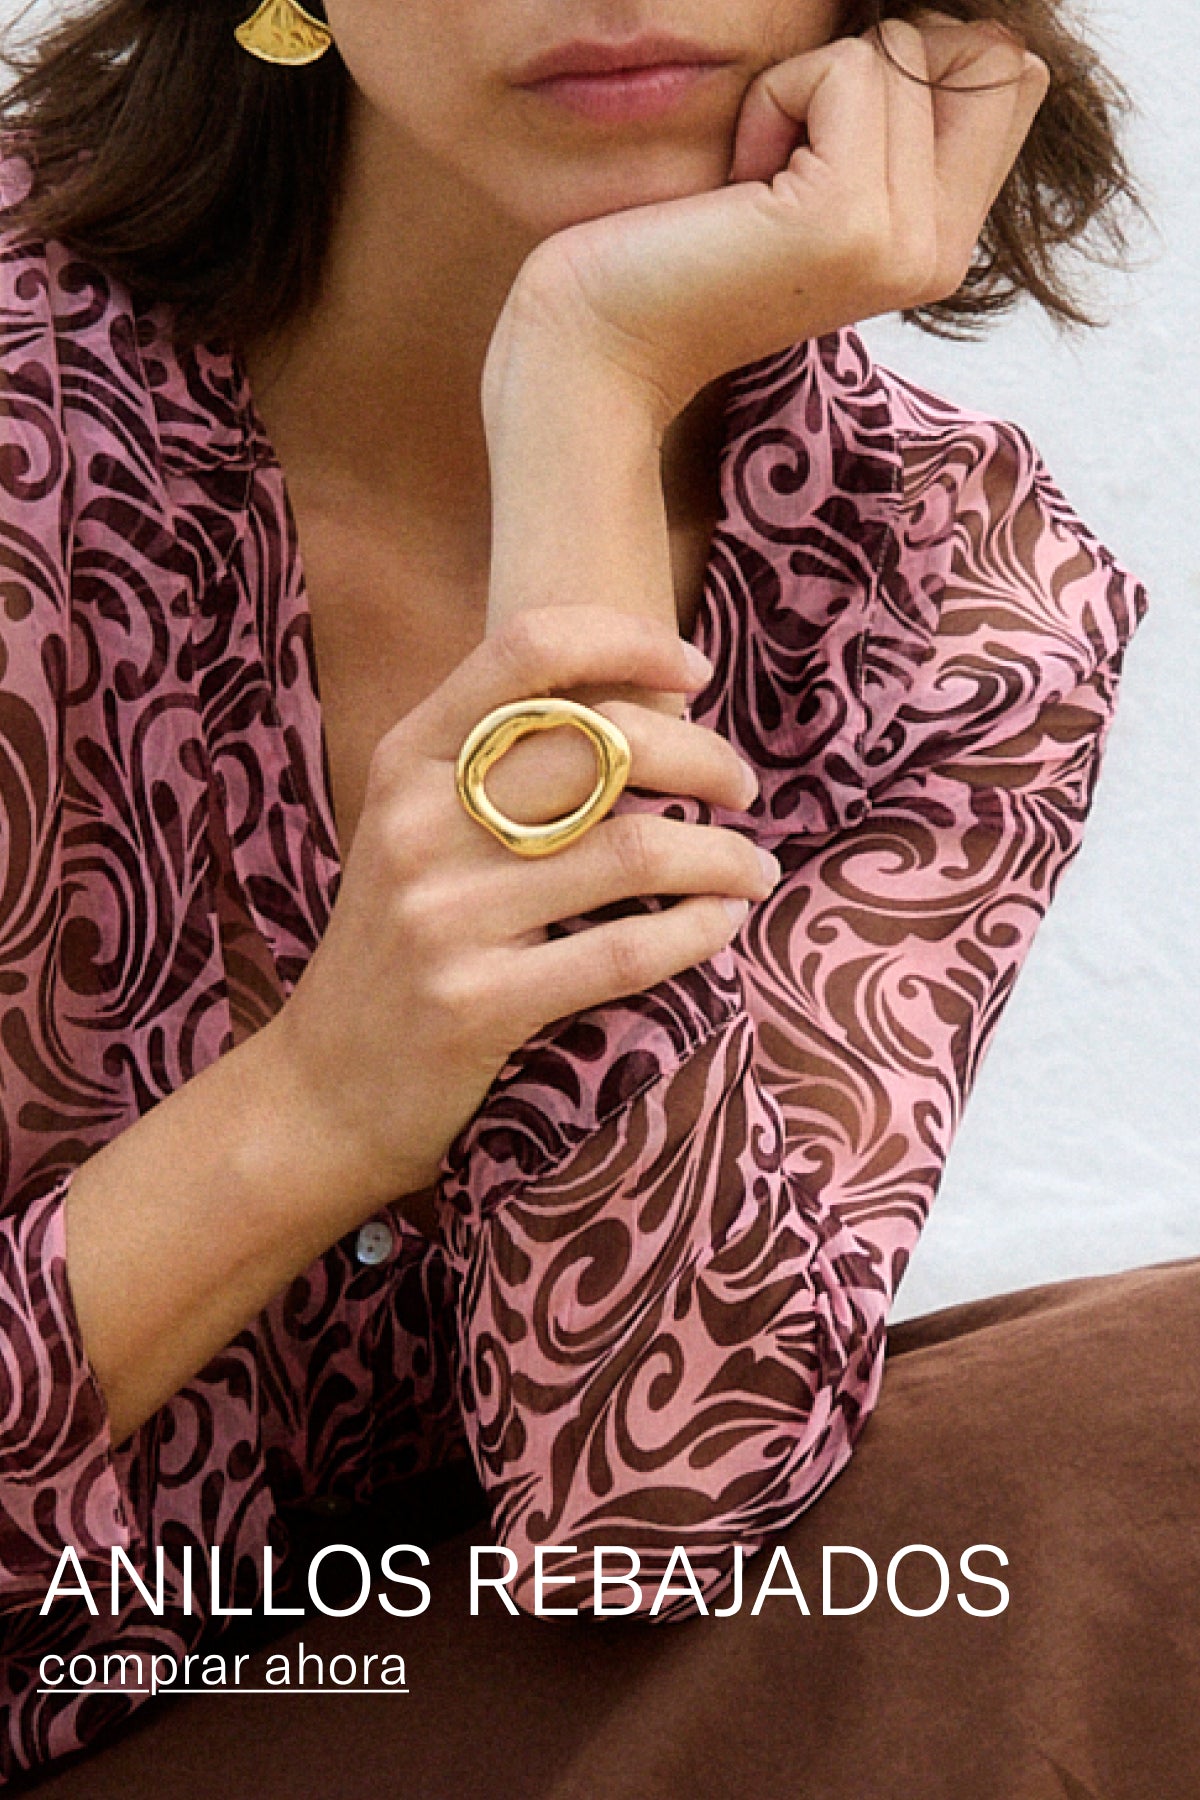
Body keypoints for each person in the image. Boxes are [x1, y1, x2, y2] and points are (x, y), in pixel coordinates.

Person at [0, 0, 1163, 1785]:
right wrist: (321, 1105)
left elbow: (654, 1504)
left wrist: (592, 385)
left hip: (412, 1699)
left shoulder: (950, 596)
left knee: (1151, 1423)